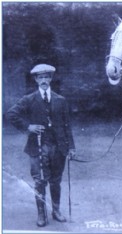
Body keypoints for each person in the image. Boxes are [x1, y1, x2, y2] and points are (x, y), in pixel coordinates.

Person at [6, 64, 76, 227]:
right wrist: (28, 127)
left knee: (56, 181)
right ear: (36, 80)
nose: (44, 80)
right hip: (37, 148)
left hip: (58, 148)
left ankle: (56, 211)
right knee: (39, 182)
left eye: (46, 77)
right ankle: (41, 214)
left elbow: (67, 125)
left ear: (50, 79)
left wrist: (71, 147)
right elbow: (11, 114)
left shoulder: (61, 100)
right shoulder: (29, 99)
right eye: (40, 77)